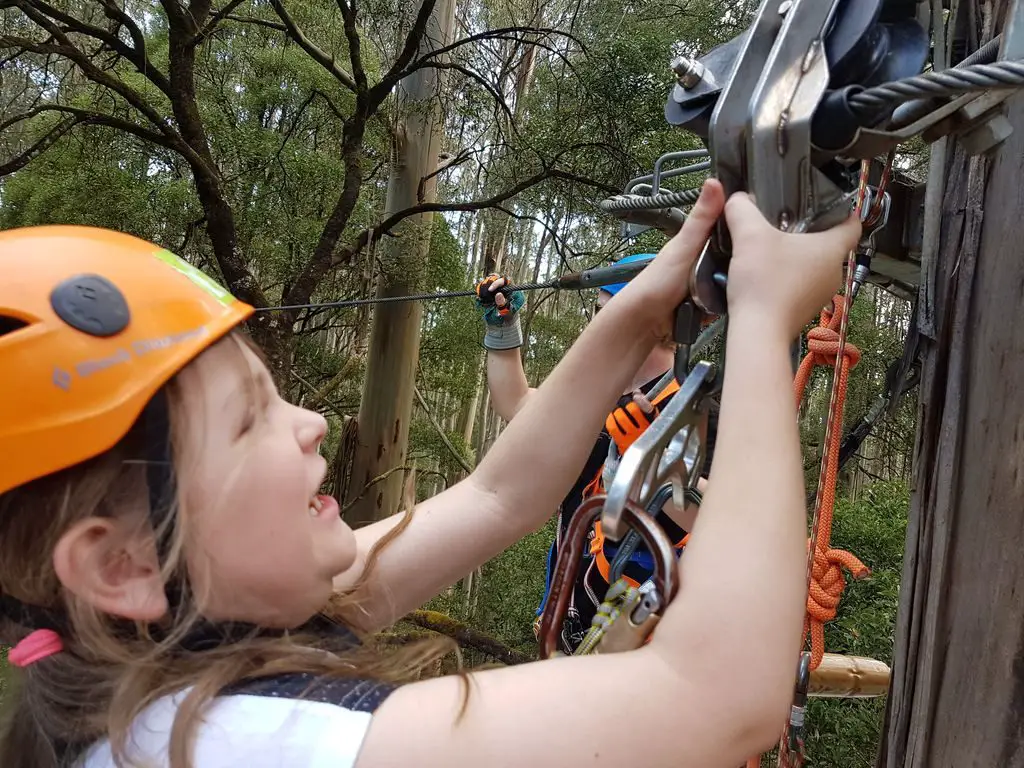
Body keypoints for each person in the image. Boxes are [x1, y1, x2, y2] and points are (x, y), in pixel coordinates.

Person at [0, 179, 860, 768]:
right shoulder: (241, 746)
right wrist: (763, 319)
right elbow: (718, 697)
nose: (311, 423)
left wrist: (641, 307)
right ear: (122, 565)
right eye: (250, 418)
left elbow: (498, 497)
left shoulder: (168, 653)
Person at [475, 253, 719, 653]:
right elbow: (516, 405)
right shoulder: (595, 398)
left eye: (606, 314)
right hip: (568, 629)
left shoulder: (696, 406)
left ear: (649, 323)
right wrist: (502, 327)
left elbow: (711, 520)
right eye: (596, 312)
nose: (593, 327)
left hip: (640, 642)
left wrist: (649, 459)